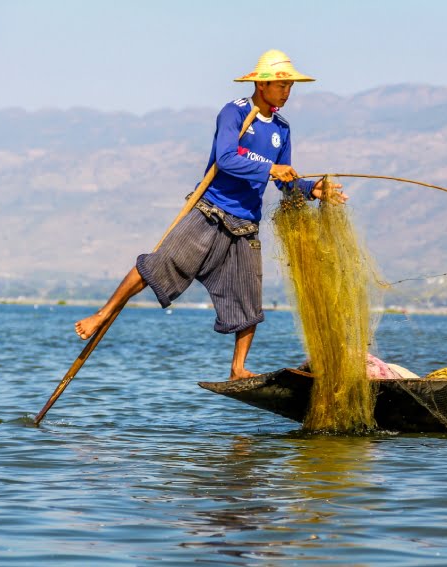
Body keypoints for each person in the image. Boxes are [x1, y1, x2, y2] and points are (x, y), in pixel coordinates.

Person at [74, 49, 346, 380]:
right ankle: (102, 314)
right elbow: (227, 158)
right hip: (211, 211)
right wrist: (272, 168)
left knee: (249, 301)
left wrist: (311, 189)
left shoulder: (282, 129)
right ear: (262, 84)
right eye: (281, 84)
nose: (287, 91)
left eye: (290, 85)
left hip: (245, 225)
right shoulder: (234, 113)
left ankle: (237, 368)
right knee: (157, 265)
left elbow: (286, 183)